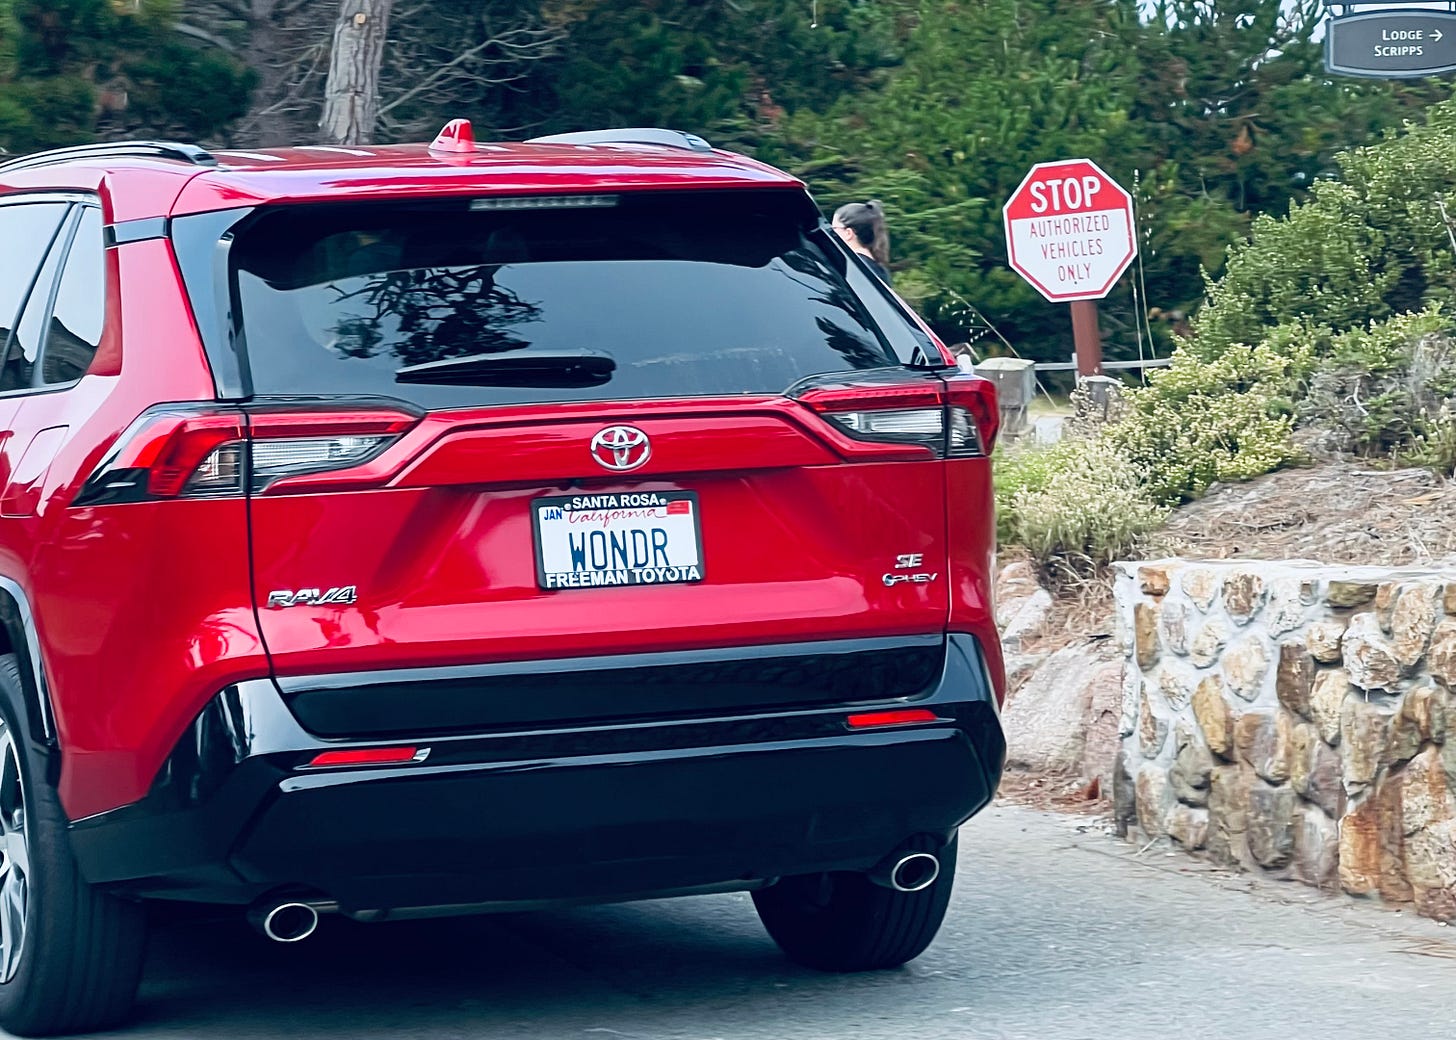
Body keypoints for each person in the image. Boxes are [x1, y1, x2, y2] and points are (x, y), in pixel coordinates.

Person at [831, 200, 892, 284]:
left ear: (848, 233)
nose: (830, 233)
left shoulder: (853, 269)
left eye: (834, 229)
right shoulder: (879, 269)